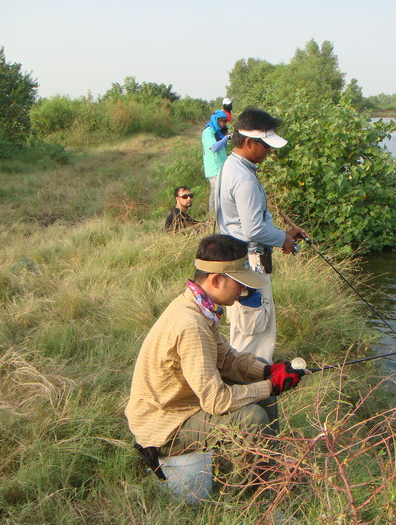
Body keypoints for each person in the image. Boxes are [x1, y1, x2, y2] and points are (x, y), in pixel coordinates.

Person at [125, 234, 306, 491]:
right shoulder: (190, 324)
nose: (244, 290)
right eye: (239, 283)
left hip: (182, 405)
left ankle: (268, 473)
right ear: (217, 279)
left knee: (264, 387)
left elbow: (227, 359)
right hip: (164, 426)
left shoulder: (199, 306)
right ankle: (247, 500)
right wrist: (270, 385)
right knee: (251, 417)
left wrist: (267, 371)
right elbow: (216, 401)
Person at [217, 108, 307, 363]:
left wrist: (281, 235)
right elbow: (253, 229)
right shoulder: (244, 178)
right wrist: (285, 239)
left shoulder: (230, 165)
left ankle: (243, 384)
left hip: (236, 261)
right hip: (249, 266)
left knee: (245, 331)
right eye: (266, 145)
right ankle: (252, 391)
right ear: (248, 142)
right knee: (255, 333)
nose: (270, 151)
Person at [202, 110, 230, 212]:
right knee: (215, 195)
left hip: (222, 167)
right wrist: (226, 138)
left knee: (223, 195)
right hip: (214, 168)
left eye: (225, 121)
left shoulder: (218, 133)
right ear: (215, 120)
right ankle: (212, 217)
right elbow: (214, 148)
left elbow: (224, 149)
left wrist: (224, 136)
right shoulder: (208, 131)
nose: (222, 124)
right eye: (220, 121)